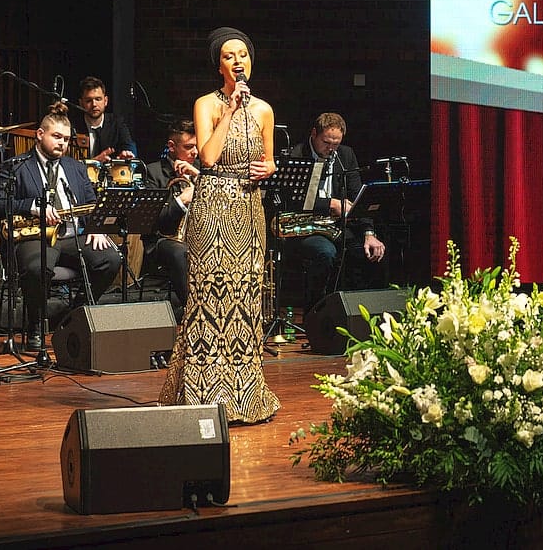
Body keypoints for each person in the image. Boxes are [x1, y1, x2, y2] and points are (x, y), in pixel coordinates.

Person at [159, 27, 280, 424]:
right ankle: (202, 395)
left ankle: (246, 397)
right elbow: (208, 157)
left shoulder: (264, 110)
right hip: (213, 207)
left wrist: (269, 168)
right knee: (210, 298)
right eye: (229, 56)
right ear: (219, 66)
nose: (238, 61)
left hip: (249, 208)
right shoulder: (206, 105)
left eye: (243, 54)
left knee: (245, 298)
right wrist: (229, 109)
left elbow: (268, 159)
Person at [0, 103, 123, 351]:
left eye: (66, 139)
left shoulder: (76, 167)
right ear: (40, 134)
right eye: (57, 137)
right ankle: (36, 325)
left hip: (72, 236)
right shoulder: (15, 166)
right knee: (37, 268)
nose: (62, 143)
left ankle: (74, 315)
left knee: (111, 259)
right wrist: (32, 206)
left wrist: (97, 228)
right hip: (35, 237)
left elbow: (91, 203)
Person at [281, 112, 385, 311]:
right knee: (325, 253)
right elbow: (293, 199)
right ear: (314, 134)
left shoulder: (345, 155)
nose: (331, 149)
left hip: (335, 226)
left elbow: (357, 196)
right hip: (306, 226)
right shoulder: (296, 154)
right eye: (326, 142)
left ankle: (357, 313)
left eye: (336, 144)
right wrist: (330, 204)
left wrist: (369, 233)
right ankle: (316, 312)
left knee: (369, 252)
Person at [140, 118, 200, 314]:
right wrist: (181, 200)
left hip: (198, 235)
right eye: (188, 147)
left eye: (196, 146)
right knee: (179, 252)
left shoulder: (201, 170)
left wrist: (198, 178)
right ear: (172, 147)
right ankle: (194, 310)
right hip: (163, 240)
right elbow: (153, 221)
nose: (195, 152)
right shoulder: (153, 172)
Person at [71, 76, 137, 164]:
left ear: (105, 101)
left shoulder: (117, 123)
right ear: (81, 103)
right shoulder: (72, 126)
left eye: (98, 99)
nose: (94, 104)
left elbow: (129, 145)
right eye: (88, 100)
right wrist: (94, 161)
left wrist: (128, 153)